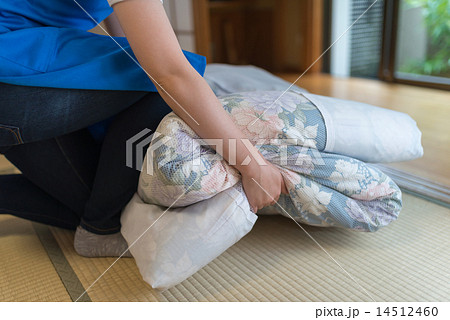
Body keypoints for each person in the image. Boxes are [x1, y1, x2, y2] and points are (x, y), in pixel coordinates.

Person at [0, 0, 286, 257]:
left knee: (98, 201)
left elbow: (122, 27)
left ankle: (97, 222)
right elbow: (169, 74)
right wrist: (252, 164)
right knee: (162, 79)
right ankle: (101, 228)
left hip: (22, 71)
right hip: (12, 74)